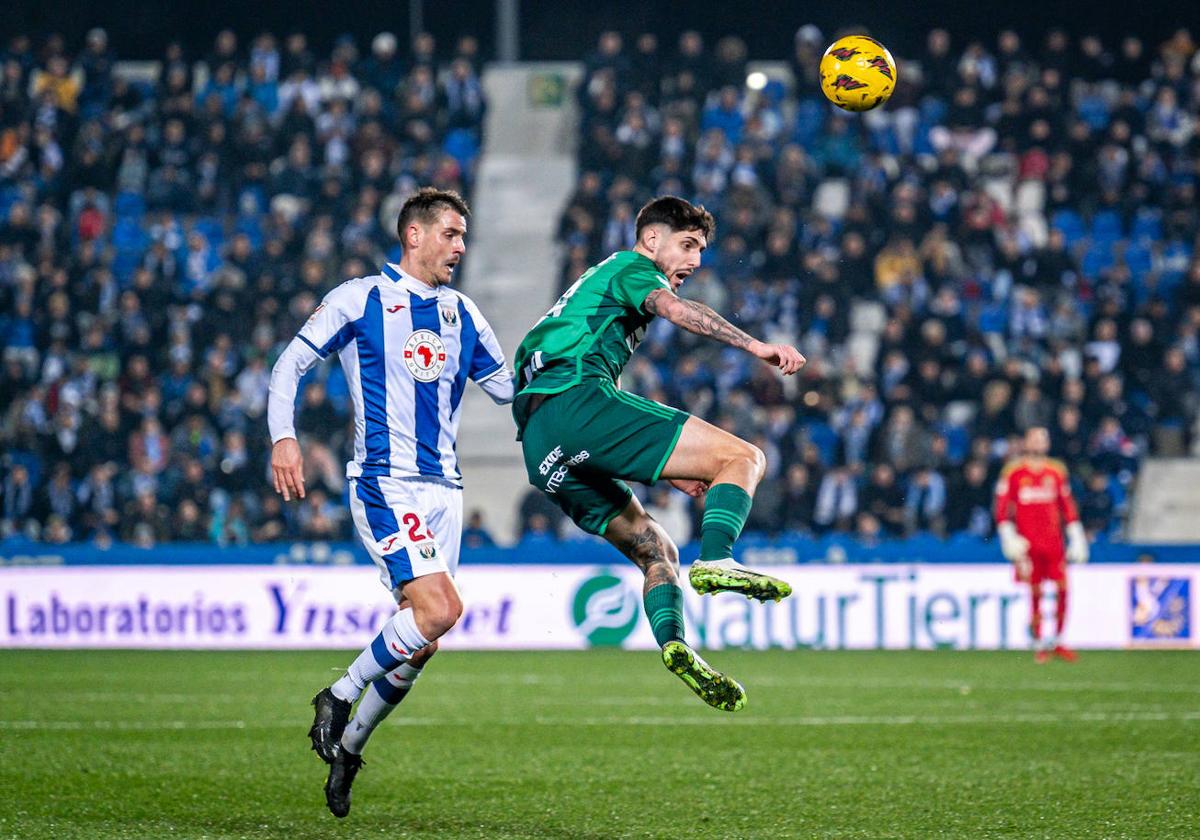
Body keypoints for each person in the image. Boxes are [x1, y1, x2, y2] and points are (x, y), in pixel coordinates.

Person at [267, 188, 513, 817]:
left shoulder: (462, 312)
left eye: (463, 236)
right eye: (452, 234)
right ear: (414, 235)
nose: (460, 246)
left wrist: (580, 366)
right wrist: (284, 438)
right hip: (385, 482)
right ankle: (339, 693)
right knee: (440, 609)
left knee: (423, 639)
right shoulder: (359, 298)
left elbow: (513, 390)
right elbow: (290, 365)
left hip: (446, 492)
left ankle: (349, 748)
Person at [511, 196, 805, 712]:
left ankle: (676, 644)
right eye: (687, 245)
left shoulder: (591, 294)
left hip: (541, 446)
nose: (694, 260)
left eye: (701, 250)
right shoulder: (631, 267)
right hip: (578, 400)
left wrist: (666, 470)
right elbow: (674, 309)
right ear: (651, 239)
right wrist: (757, 346)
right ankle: (717, 558)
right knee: (744, 458)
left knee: (656, 550)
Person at [994, 426, 1090, 663]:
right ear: (1026, 442)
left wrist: (1076, 534)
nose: (1039, 443)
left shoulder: (1056, 471)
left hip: (1054, 543)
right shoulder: (1014, 472)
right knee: (1035, 592)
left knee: (1062, 589)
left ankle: (1057, 640)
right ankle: (1039, 643)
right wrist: (1007, 534)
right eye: (1035, 438)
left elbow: (1066, 503)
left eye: (1043, 438)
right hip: (1028, 545)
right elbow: (1002, 506)